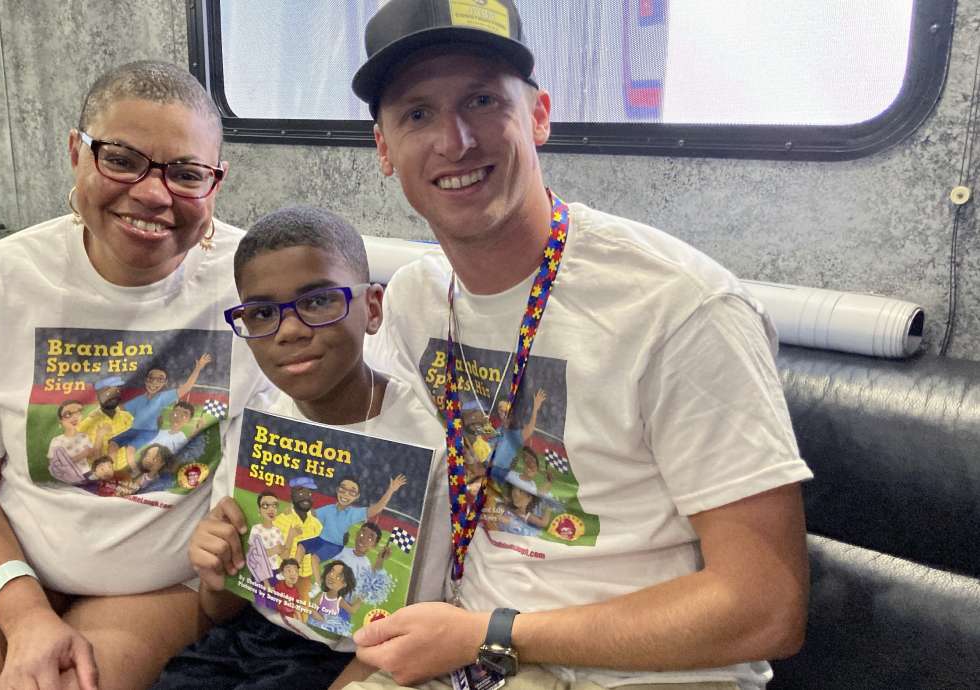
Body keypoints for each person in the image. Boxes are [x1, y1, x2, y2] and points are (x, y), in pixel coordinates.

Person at [346, 2, 814, 689]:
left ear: (537, 116)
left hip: (645, 672)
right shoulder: (415, 300)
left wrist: (493, 633)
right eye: (417, 114)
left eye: (482, 100)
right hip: (467, 655)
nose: (455, 139)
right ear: (384, 149)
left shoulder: (679, 305)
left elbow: (765, 606)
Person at [0, 60, 244, 690]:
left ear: (216, 182)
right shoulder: (4, 278)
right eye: (122, 160)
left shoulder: (257, 285)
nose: (154, 194)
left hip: (153, 586)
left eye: (186, 174)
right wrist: (23, 614)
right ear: (77, 153)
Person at [166, 206, 450, 689]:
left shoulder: (428, 442)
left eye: (318, 301)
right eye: (261, 313)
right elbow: (223, 607)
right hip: (246, 644)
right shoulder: (255, 427)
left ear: (373, 309)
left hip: (361, 659)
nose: (290, 329)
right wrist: (214, 570)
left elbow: (416, 628)